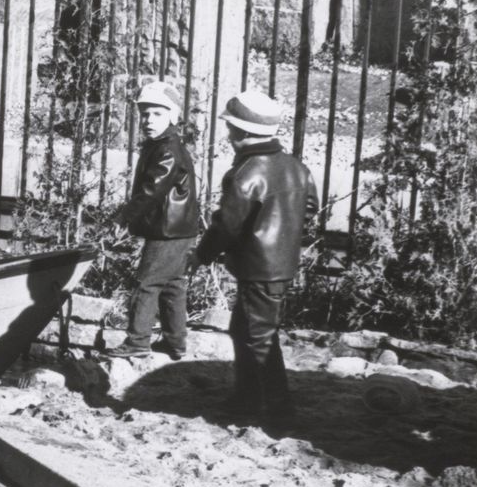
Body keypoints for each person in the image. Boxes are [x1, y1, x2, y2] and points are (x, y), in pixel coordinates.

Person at [192, 89, 319, 423]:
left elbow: (226, 227)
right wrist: (289, 236)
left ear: (243, 133)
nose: (228, 135)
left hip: (257, 267)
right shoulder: (295, 166)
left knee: (260, 338)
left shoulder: (245, 173)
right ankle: (245, 397)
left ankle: (279, 410)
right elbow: (310, 208)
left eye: (231, 129)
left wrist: (201, 256)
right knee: (243, 330)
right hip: (279, 265)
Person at [108, 81, 201, 359]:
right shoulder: (160, 144)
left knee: (147, 283)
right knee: (172, 285)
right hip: (176, 228)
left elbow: (152, 189)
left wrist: (124, 216)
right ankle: (175, 342)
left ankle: (137, 341)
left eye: (157, 114)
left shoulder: (167, 149)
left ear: (173, 116)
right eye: (145, 114)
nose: (149, 120)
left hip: (168, 230)